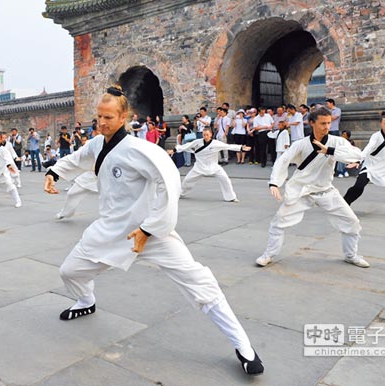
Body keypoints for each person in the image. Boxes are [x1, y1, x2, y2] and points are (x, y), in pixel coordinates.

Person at [43, 86, 264, 376]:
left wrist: (150, 228)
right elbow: (76, 159)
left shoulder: (141, 150)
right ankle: (86, 300)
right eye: (98, 116)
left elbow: (169, 182)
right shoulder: (97, 144)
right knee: (69, 271)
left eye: (108, 117)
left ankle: (243, 346)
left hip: (150, 232)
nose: (102, 122)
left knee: (199, 282)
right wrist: (53, 173)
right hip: (109, 230)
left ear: (124, 117)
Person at [255, 107, 369, 268]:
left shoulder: (337, 141)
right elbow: (283, 160)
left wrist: (328, 150)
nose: (327, 127)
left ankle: (351, 255)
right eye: (323, 123)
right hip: (302, 190)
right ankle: (269, 255)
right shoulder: (300, 144)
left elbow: (357, 154)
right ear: (312, 123)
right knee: (278, 221)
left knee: (352, 222)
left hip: (326, 190)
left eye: (329, 123)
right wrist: (274, 182)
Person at [170, 127, 250, 201]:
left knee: (225, 180)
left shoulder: (216, 143)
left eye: (207, 135)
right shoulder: (197, 142)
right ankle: (180, 194)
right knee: (187, 181)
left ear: (211, 135)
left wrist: (241, 148)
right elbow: (186, 146)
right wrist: (174, 150)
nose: (205, 136)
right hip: (199, 167)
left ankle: (231, 197)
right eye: (204, 135)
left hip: (214, 167)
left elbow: (228, 146)